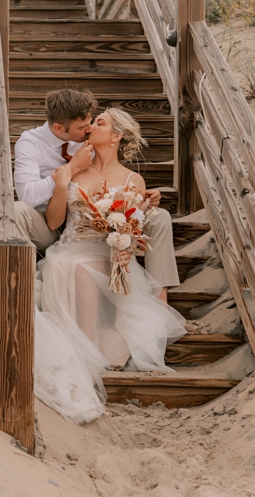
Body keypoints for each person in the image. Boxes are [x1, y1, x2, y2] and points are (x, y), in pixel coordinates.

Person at [29, 107, 188, 424]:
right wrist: (62, 183)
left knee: (88, 267)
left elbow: (132, 230)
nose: (90, 126)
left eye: (99, 122)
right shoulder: (72, 169)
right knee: (70, 266)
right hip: (70, 248)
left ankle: (88, 352)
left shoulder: (133, 179)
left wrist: (132, 230)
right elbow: (54, 221)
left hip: (108, 253)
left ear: (116, 136)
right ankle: (84, 355)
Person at [13, 89, 179, 303]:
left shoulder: (88, 139)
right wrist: (70, 170)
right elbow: (27, 195)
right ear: (58, 128)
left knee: (161, 216)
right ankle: (17, 290)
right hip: (51, 224)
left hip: (97, 225)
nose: (89, 129)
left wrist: (133, 197)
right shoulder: (30, 143)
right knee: (17, 211)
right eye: (84, 127)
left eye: (94, 123)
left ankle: (161, 303)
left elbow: (111, 169)